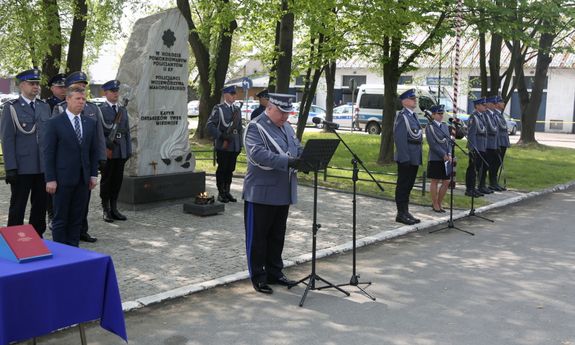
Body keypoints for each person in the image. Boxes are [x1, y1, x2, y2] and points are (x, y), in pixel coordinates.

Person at [242, 93, 303, 294]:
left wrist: (306, 157)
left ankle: (275, 272)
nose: (285, 118)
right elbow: (258, 154)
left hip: (282, 191)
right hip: (261, 192)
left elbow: (296, 148)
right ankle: (259, 276)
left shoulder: (286, 127)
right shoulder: (256, 127)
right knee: (258, 237)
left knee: (277, 236)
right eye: (282, 113)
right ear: (270, 107)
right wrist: (288, 162)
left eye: (287, 113)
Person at [53, 71, 106, 243]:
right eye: (77, 86)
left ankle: (81, 233)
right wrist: (50, 177)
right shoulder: (59, 110)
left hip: (83, 173)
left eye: (83, 86)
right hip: (64, 173)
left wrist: (99, 160)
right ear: (68, 94)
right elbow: (51, 147)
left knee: (79, 210)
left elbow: (96, 140)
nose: (81, 89)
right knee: (62, 214)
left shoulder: (91, 109)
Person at [44, 87, 99, 247]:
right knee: (60, 219)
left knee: (77, 218)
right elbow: (48, 153)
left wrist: (93, 175)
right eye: (77, 99)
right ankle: (61, 253)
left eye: (83, 99)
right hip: (61, 180)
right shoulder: (54, 123)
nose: (81, 102)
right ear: (67, 99)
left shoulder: (90, 123)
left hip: (83, 180)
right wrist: (50, 179)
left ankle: (74, 251)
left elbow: (93, 152)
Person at [0, 68, 50, 237]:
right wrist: (10, 168)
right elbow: (7, 140)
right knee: (18, 206)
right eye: (32, 83)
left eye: (37, 83)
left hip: (42, 166)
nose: (36, 87)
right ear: (22, 85)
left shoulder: (44, 107)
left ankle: (37, 237)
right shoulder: (11, 108)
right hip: (22, 167)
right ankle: (13, 239)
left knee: (40, 205)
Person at [98, 80, 131, 223]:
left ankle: (114, 208)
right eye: (112, 91)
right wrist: (106, 146)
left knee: (117, 181)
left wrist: (128, 150)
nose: (116, 94)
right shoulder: (100, 110)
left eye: (117, 91)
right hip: (108, 151)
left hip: (121, 150)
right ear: (106, 93)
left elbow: (127, 132)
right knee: (106, 181)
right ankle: (105, 209)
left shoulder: (122, 110)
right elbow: (99, 132)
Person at [206, 85, 243, 203]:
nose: (234, 96)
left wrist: (240, 144)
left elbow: (240, 128)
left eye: (235, 94)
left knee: (230, 169)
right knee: (222, 169)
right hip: (223, 145)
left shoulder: (237, 109)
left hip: (234, 145)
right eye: (232, 94)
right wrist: (221, 135)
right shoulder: (219, 109)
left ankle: (227, 192)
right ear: (225, 95)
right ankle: (221, 193)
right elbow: (210, 125)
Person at [394, 88, 422, 225]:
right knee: (403, 185)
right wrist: (404, 158)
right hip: (406, 157)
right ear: (404, 101)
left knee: (409, 185)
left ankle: (406, 211)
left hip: (414, 156)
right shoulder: (402, 116)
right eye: (412, 98)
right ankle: (400, 213)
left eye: (415, 98)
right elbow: (400, 139)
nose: (415, 100)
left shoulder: (413, 116)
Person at [44, 73, 67, 229]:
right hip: (53, 148)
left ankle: (63, 216)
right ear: (52, 88)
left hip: (66, 151)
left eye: (65, 86)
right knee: (51, 184)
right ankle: (51, 215)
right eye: (59, 87)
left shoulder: (71, 103)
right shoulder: (47, 105)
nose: (63, 89)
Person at [425, 105, 453, 213]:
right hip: (435, 158)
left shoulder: (445, 126)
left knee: (446, 181)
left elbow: (449, 142)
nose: (441, 116)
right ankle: (435, 203)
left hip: (446, 157)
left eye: (442, 114)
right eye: (439, 114)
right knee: (435, 180)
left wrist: (449, 153)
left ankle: (439, 202)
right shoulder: (430, 127)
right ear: (433, 115)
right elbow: (432, 144)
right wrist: (443, 154)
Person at [465, 98, 488, 198]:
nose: (485, 106)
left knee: (477, 168)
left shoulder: (481, 117)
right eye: (483, 105)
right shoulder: (473, 117)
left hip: (481, 145)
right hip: (476, 146)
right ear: (477, 106)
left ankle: (474, 188)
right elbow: (471, 134)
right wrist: (473, 147)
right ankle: (469, 189)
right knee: (472, 168)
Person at [483, 96, 500, 192]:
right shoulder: (486, 115)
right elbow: (492, 129)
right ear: (488, 104)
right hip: (487, 144)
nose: (495, 105)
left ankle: (492, 183)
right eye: (493, 103)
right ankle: (483, 185)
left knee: (492, 164)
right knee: (485, 166)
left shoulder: (493, 115)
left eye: (495, 103)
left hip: (493, 144)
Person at [493, 95, 510, 190]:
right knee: (495, 163)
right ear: (496, 104)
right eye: (501, 102)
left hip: (503, 142)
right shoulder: (495, 115)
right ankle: (493, 183)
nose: (503, 103)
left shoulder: (499, 114)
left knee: (498, 163)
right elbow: (497, 131)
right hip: (499, 143)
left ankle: (495, 183)